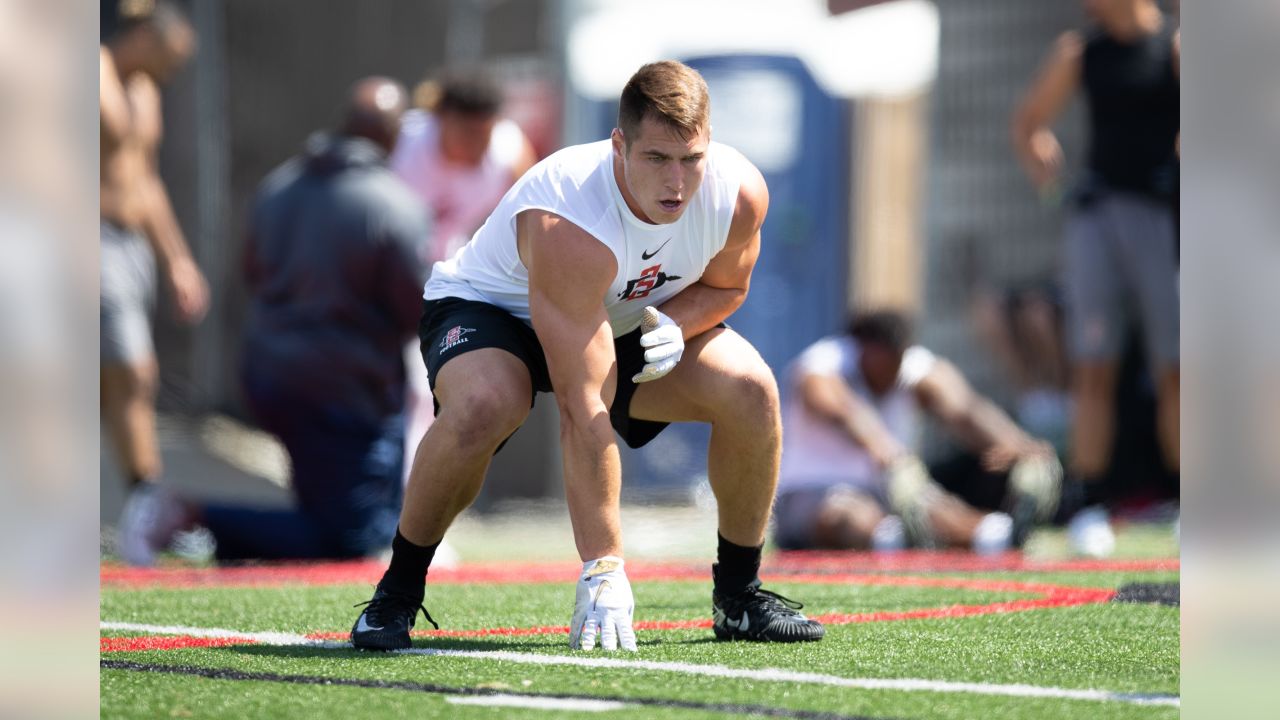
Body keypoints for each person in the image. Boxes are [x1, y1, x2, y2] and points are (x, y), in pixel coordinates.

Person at [350, 60, 825, 652]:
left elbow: (728, 287)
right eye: (656, 159)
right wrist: (604, 566)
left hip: (624, 314)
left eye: (691, 159)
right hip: (496, 313)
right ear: (619, 146)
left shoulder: (738, 195)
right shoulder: (571, 219)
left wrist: (675, 326)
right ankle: (396, 591)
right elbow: (582, 407)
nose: (676, 182)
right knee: (485, 406)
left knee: (752, 389)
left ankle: (740, 596)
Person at [123, 78, 431, 563]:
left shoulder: (278, 186)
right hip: (347, 387)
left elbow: (252, 271)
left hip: (270, 373)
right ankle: (189, 513)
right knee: (352, 539)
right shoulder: (394, 203)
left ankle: (210, 529)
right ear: (393, 136)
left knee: (339, 515)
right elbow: (415, 305)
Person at [1011, 0, 1179, 555]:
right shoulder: (1080, 51)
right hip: (1098, 218)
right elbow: (1030, 124)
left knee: (1176, 367)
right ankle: (1090, 503)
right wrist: (1055, 187)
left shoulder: (1175, 48)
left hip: (1162, 216)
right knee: (1093, 364)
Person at [773, 310, 1063, 554]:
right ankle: (897, 539)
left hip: (885, 491)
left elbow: (964, 410)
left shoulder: (907, 364)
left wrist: (1019, 445)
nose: (892, 375)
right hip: (808, 495)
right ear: (863, 350)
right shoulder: (824, 362)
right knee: (848, 515)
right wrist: (887, 450)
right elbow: (840, 407)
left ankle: (999, 535)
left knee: (930, 506)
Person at [389, 68, 539, 485]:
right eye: (467, 133)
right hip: (390, 283)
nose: (478, 145)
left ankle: (412, 506)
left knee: (430, 392)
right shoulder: (403, 142)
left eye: (485, 133)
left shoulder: (509, 150)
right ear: (441, 120)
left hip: (450, 284)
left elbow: (533, 225)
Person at [101, 0, 209, 566]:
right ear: (141, 33)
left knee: (121, 381)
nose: (174, 67)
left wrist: (177, 260)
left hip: (129, 245)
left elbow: (145, 182)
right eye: (168, 53)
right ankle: (147, 503)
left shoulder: (146, 91)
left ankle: (144, 510)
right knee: (133, 373)